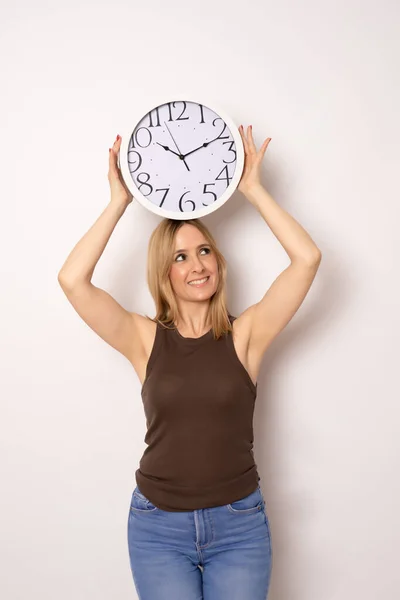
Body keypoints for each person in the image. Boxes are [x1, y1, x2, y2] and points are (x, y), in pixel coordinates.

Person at [58, 125, 322, 599]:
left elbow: (306, 259)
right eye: (180, 257)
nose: (197, 265)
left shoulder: (246, 335)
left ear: (219, 262)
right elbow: (73, 280)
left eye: (204, 251)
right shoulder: (143, 338)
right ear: (164, 272)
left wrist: (254, 190)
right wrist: (118, 202)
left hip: (239, 527)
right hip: (158, 528)